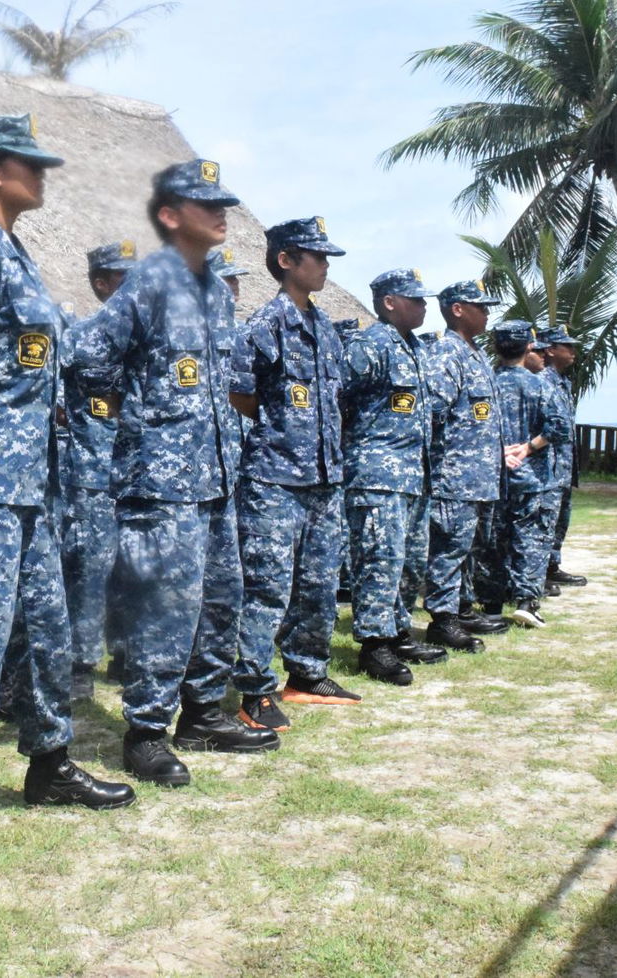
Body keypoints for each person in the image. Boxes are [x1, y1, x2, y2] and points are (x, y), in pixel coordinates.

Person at [0, 115, 135, 892]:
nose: (44, 174)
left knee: (44, 633)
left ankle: (50, 766)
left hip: (29, 489)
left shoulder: (16, 254)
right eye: (30, 164)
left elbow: (63, 351)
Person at [71, 159, 279, 791]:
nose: (222, 214)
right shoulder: (149, 285)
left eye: (224, 204)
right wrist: (133, 435)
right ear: (170, 216)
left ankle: (202, 714)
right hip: (160, 485)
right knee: (164, 608)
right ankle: (146, 733)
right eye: (205, 204)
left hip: (216, 478)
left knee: (220, 601)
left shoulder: (216, 292)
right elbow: (88, 363)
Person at [227, 217, 361, 733]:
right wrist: (281, 430)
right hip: (275, 478)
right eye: (317, 256)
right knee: (266, 587)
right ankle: (254, 691)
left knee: (319, 583)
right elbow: (241, 394)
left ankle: (307, 673)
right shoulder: (264, 325)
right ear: (286, 260)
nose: (326, 266)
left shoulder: (325, 327)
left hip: (324, 478)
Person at [339, 268, 449, 686]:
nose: (424, 306)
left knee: (409, 562)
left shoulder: (412, 347)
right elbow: (338, 398)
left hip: (412, 475)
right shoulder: (371, 344)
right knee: (378, 561)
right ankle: (374, 645)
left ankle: (398, 632)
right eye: (416, 299)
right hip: (376, 474)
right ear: (389, 302)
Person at [423, 280, 519, 649]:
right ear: (458, 309)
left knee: (467, 550)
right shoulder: (447, 354)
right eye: (481, 306)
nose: (488, 313)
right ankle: (442, 620)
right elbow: (433, 415)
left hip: (479, 477)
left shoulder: (475, 353)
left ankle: (461, 609)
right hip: (454, 477)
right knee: (448, 550)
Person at [60, 240, 137, 701]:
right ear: (101, 284)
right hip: (91, 473)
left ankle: (126, 654)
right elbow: (45, 384)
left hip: (142, 473)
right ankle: (79, 662)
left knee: (137, 566)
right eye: (122, 278)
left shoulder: (151, 341)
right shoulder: (80, 338)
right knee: (90, 568)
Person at [475, 321, 571, 628]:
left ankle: (490, 603)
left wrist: (499, 452)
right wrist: (529, 447)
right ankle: (527, 602)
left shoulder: (486, 382)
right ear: (528, 347)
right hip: (533, 477)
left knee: (493, 541)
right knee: (531, 539)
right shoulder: (541, 383)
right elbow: (560, 427)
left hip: (496, 476)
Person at [539, 328, 586, 586]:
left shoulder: (562, 381)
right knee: (546, 521)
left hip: (564, 466)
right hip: (548, 466)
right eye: (567, 346)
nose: (573, 352)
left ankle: (552, 566)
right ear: (550, 349)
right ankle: (540, 571)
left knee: (560, 520)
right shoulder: (542, 381)